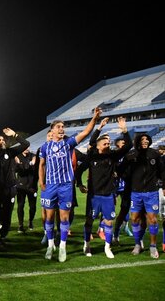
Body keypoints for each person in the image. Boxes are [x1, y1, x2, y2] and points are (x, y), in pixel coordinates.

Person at [38, 107, 101, 262]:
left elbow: (85, 132)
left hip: (66, 186)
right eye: (58, 127)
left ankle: (62, 247)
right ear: (51, 131)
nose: (61, 129)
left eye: (63, 127)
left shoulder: (69, 143)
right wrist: (41, 181)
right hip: (50, 186)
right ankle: (50, 245)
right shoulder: (45, 147)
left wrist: (95, 118)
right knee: (49, 218)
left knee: (64, 218)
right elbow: (41, 165)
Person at [77, 117, 131, 258]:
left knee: (108, 221)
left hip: (108, 195)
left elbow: (128, 146)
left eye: (109, 143)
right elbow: (79, 170)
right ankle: (87, 244)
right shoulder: (92, 157)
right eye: (105, 143)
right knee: (89, 220)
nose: (108, 145)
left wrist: (124, 130)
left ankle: (107, 247)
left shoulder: (112, 156)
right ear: (99, 146)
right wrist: (79, 184)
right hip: (93, 196)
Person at [123, 133, 165, 258]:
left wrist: (164, 186)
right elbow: (122, 170)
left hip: (151, 192)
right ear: (137, 141)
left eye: (147, 139)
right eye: (142, 139)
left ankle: (153, 246)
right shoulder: (131, 154)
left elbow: (162, 171)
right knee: (134, 218)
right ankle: (137, 244)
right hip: (135, 192)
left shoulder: (154, 154)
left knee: (152, 219)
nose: (145, 141)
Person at [0, 130, 29, 244]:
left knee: (7, 214)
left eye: (3, 139)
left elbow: (26, 144)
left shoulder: (10, 152)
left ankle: (3, 236)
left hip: (10, 189)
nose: (2, 141)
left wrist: (15, 135)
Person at [15, 147, 37, 232]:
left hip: (32, 186)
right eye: (24, 147)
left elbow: (32, 168)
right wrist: (30, 163)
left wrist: (21, 164)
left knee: (32, 207)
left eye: (28, 147)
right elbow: (17, 170)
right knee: (20, 205)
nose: (26, 149)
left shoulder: (33, 155)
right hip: (21, 186)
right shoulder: (18, 156)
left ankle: (30, 221)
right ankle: (20, 224)